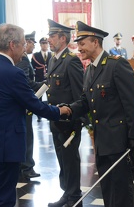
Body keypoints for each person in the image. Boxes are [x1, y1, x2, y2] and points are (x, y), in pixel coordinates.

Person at [0, 23, 70, 207]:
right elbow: (34, 104)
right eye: (23, 44)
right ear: (12, 45)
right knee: (5, 197)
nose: (25, 49)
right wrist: (59, 111)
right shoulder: (13, 72)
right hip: (5, 145)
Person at [69, 21, 134, 207]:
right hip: (102, 141)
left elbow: (132, 102)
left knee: (120, 189)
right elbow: (86, 102)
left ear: (96, 42)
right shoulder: (90, 70)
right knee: (107, 187)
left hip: (118, 141)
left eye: (82, 43)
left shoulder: (116, 65)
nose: (80, 48)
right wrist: (67, 109)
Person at [46, 19, 85, 207]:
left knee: (70, 159)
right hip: (55, 119)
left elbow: (80, 94)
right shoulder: (53, 59)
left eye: (52, 36)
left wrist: (77, 120)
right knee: (62, 159)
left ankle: (74, 195)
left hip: (69, 120)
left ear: (63, 38)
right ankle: (67, 193)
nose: (49, 40)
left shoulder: (71, 60)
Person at [16, 31, 43, 179]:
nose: (33, 46)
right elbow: (25, 81)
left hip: (21, 103)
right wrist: (43, 84)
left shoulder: (23, 59)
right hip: (24, 103)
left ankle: (24, 166)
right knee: (27, 137)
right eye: (31, 43)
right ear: (25, 43)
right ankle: (27, 167)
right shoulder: (24, 60)